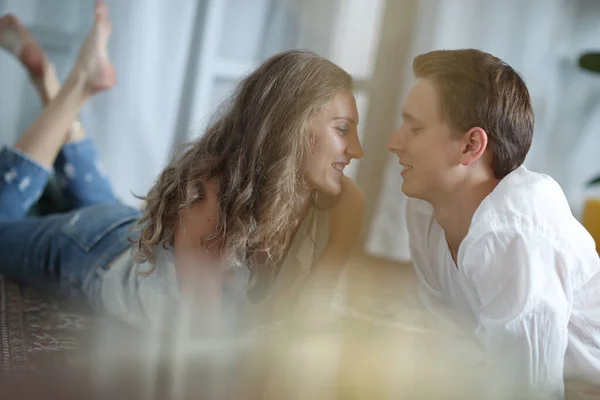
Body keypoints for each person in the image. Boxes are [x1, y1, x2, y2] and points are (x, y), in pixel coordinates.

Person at [0, 1, 365, 333]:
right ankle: (77, 83)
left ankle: (49, 82)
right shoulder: (216, 195)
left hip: (130, 231)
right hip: (97, 254)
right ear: (293, 129)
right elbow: (199, 337)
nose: (357, 150)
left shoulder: (344, 205)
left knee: (99, 203)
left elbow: (309, 320)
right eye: (342, 130)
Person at [388, 48, 600, 398]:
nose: (393, 143)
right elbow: (448, 337)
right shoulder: (425, 209)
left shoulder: (513, 233)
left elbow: (529, 389)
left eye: (415, 128)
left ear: (471, 145)